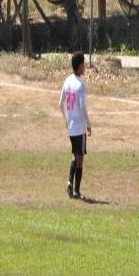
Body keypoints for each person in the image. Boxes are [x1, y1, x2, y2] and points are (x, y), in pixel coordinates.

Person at [58, 51, 91, 200]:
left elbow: (60, 104)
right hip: (79, 127)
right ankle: (76, 191)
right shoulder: (80, 85)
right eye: (84, 63)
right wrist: (88, 123)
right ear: (80, 65)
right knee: (80, 159)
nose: (85, 66)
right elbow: (83, 107)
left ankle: (69, 183)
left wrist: (66, 119)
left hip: (71, 128)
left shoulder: (67, 81)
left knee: (75, 156)